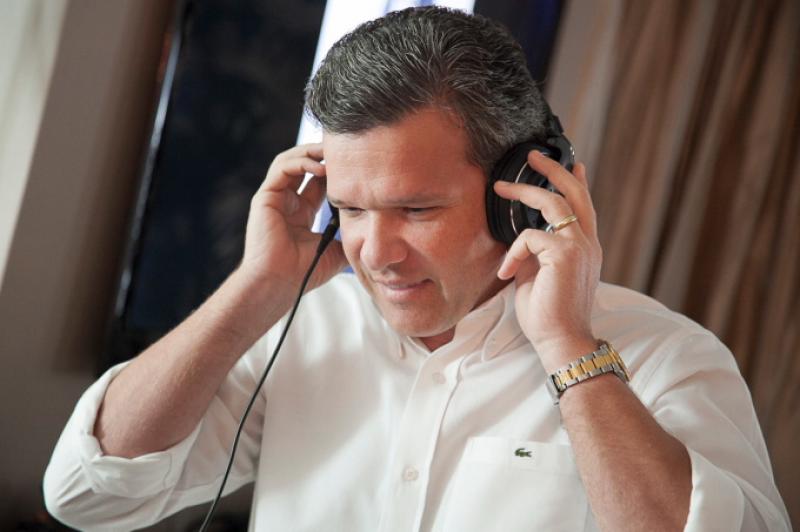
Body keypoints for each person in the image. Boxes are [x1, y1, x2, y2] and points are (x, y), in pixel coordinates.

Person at [44, 7, 790, 532]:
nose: (374, 252)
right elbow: (87, 494)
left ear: (524, 191)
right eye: (352, 209)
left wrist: (569, 350)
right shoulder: (303, 329)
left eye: (417, 209)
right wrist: (256, 288)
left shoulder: (666, 356)